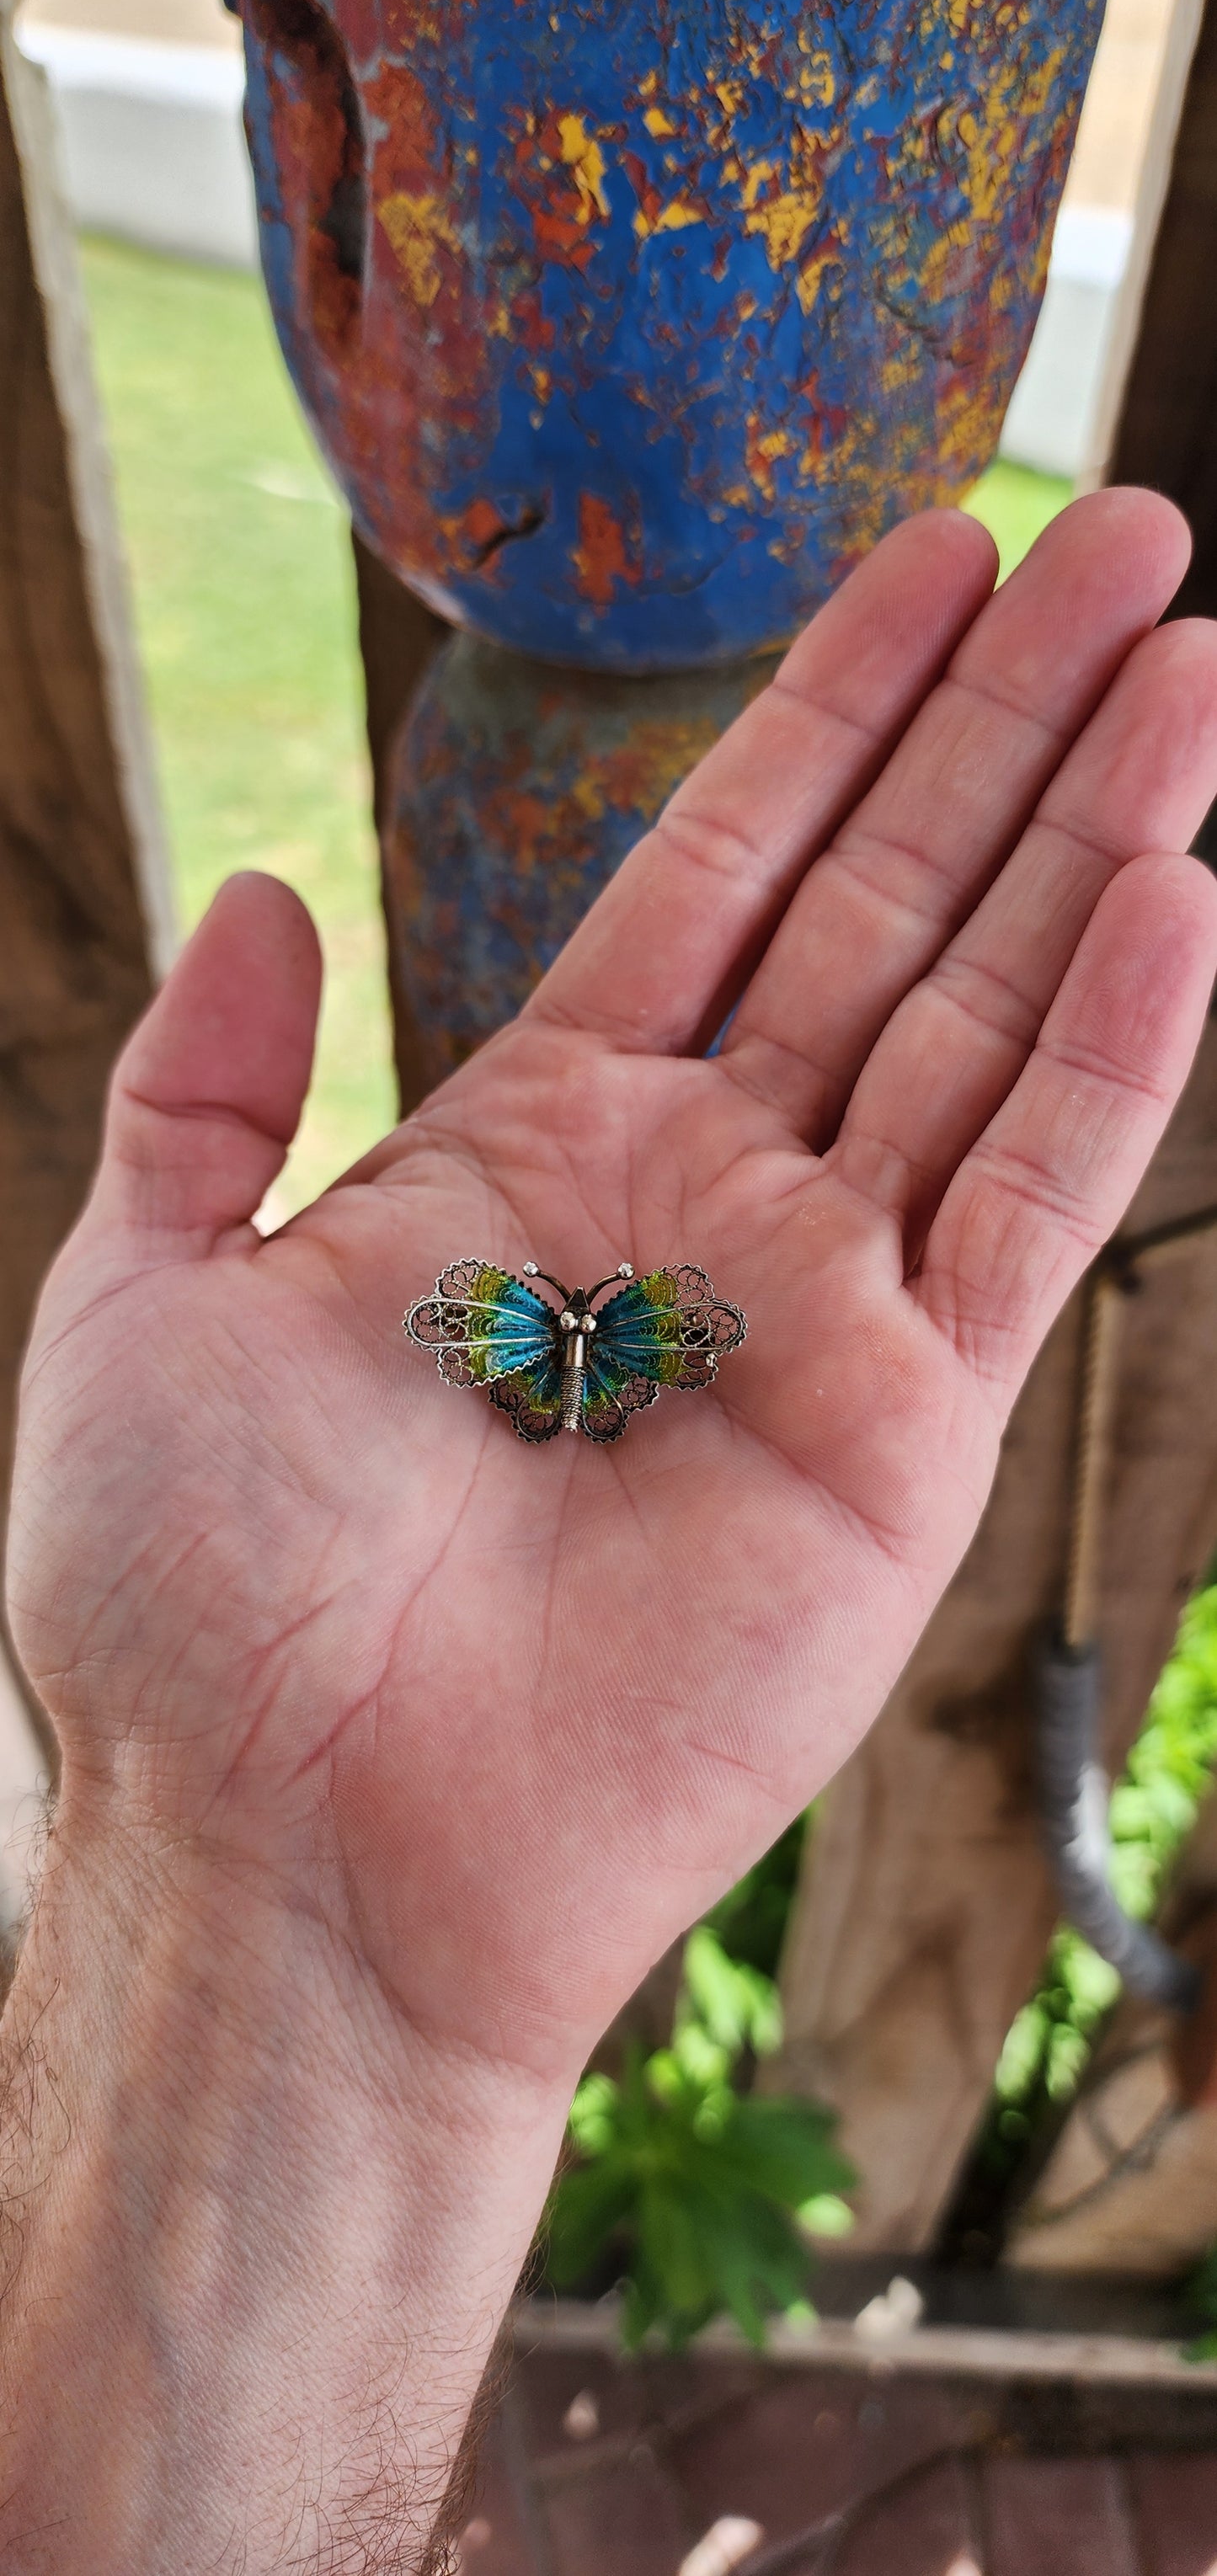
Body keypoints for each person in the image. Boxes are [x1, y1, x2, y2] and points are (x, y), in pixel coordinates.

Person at [2, 491, 1216, 2573]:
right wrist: (264, 1922)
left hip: (577, 1360)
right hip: (599, 1361)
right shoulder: (610, 1340)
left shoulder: (539, 1333)